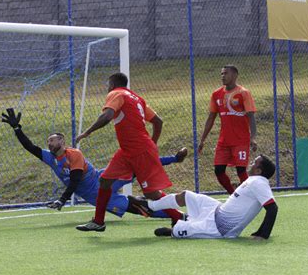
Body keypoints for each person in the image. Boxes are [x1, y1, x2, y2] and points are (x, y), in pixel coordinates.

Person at [1, 108, 188, 219]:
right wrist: (17, 128)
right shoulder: (51, 158)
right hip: (95, 195)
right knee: (140, 208)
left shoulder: (74, 154)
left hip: (103, 178)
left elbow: (74, 180)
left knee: (137, 166)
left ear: (62, 142)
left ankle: (174, 159)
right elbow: (30, 147)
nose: (49, 143)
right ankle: (180, 216)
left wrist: (62, 200)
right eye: (48, 141)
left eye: (53, 140)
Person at [75, 72, 185, 232]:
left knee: (152, 194)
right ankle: (98, 222)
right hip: (127, 150)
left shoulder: (116, 93)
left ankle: (178, 217)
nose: (107, 89)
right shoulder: (136, 98)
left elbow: (107, 116)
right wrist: (152, 143)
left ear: (112, 85)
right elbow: (158, 121)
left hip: (139, 149)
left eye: (108, 86)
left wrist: (87, 132)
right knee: (105, 180)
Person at [130, 155, 278, 240]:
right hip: (216, 209)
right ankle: (150, 206)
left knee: (178, 230)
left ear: (258, 170)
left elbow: (272, 208)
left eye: (254, 163)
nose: (251, 164)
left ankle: (175, 229)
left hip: (219, 228)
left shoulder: (259, 182)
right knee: (186, 195)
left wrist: (263, 234)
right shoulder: (255, 180)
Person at [198, 65, 257, 194]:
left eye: (226, 73)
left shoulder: (243, 93)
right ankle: (233, 195)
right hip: (223, 141)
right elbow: (211, 118)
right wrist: (202, 140)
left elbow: (251, 116)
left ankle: (251, 195)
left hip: (241, 140)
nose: (223, 76)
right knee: (218, 171)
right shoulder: (216, 94)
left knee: (241, 171)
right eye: (221, 73)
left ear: (235, 75)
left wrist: (253, 138)